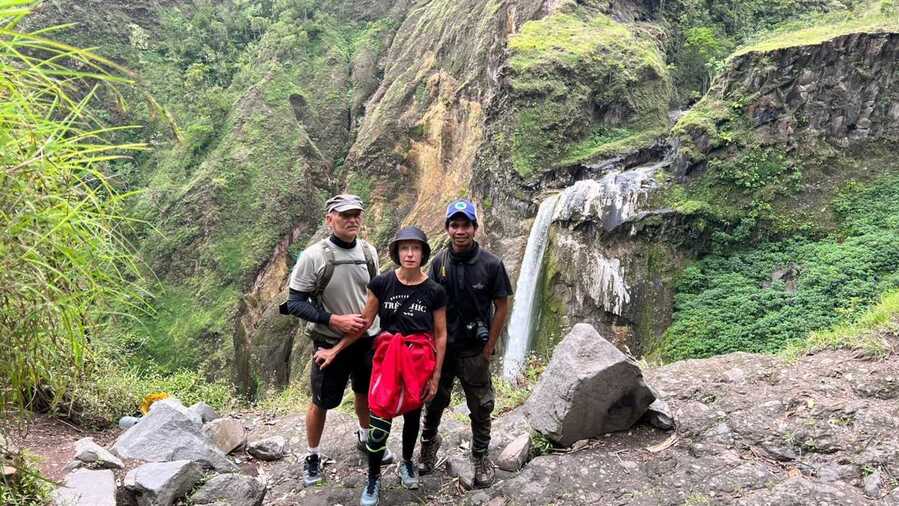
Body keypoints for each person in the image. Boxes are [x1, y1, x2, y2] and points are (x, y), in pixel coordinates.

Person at [322, 226, 447, 506]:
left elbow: (440, 334)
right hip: (387, 360)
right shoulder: (382, 284)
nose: (410, 254)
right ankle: (373, 477)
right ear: (397, 252)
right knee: (380, 418)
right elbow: (364, 324)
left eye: (416, 248)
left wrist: (436, 376)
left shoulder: (435, 291)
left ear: (423, 253)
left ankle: (406, 463)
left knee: (413, 417)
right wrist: (335, 349)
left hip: (418, 363)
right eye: (405, 248)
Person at [280, 193, 393, 487]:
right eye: (345, 215)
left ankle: (366, 438)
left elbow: (375, 293)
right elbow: (294, 302)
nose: (352, 220)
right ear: (329, 219)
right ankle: (313, 454)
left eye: (356, 214)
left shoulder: (368, 252)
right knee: (321, 401)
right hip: (329, 341)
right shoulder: (313, 256)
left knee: (365, 393)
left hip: (368, 339)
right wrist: (333, 320)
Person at [419, 199, 512, 488]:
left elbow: (502, 305)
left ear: (475, 228)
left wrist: (489, 347)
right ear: (448, 228)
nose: (460, 231)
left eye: (466, 225)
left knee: (481, 405)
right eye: (454, 225)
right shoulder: (438, 263)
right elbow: (430, 305)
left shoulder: (491, 264)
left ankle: (481, 455)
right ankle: (428, 444)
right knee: (433, 400)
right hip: (443, 349)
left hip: (474, 350)